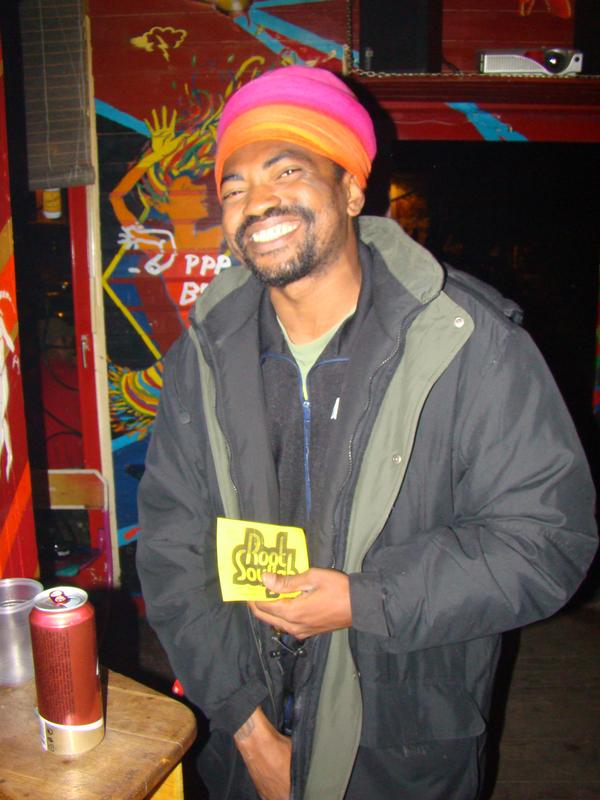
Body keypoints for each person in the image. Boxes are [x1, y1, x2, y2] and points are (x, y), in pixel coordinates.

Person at [135, 66, 598, 800]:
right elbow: (171, 548)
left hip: (401, 752)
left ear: (352, 189)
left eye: (288, 170)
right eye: (234, 187)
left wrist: (364, 599)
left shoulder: (468, 343)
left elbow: (547, 541)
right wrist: (249, 731)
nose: (258, 202)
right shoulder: (204, 356)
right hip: (245, 748)